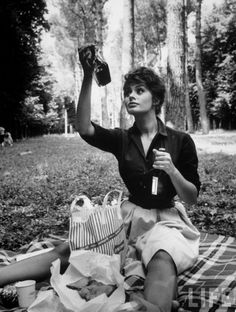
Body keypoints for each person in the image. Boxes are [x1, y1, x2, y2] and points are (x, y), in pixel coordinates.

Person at [0, 47, 200, 312]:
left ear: (156, 98)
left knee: (162, 256)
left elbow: (192, 197)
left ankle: (152, 307)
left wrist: (173, 171)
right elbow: (84, 127)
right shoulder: (122, 139)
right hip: (128, 217)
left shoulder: (180, 141)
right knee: (72, 250)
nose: (131, 95)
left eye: (139, 90)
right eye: (127, 91)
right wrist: (86, 76)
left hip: (165, 219)